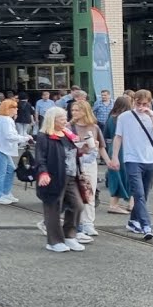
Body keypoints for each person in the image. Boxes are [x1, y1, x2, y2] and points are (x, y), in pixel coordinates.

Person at [110, 89, 153, 240]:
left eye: (145, 103)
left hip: (150, 159)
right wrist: (115, 157)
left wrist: (151, 116)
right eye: (138, 103)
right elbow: (118, 137)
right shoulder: (125, 117)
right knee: (139, 194)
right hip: (132, 159)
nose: (141, 106)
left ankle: (133, 221)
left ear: (150, 102)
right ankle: (146, 225)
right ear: (133, 102)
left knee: (144, 194)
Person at [33, 107, 87, 253]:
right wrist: (43, 173)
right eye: (61, 118)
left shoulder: (67, 134)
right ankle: (54, 241)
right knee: (53, 208)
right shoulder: (44, 136)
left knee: (78, 205)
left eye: (64, 117)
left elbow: (76, 151)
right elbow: (40, 157)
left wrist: (85, 147)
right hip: (54, 177)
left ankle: (69, 235)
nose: (65, 120)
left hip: (71, 176)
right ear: (52, 120)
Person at [69, 100, 111, 237]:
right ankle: (78, 223)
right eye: (73, 110)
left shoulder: (94, 127)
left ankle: (88, 223)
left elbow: (101, 147)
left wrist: (109, 162)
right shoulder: (70, 127)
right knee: (75, 194)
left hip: (90, 162)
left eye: (77, 110)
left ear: (85, 111)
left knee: (89, 192)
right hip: (74, 162)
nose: (74, 112)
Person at [0, 98, 30, 205]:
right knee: (1, 172)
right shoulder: (6, 120)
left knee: (9, 170)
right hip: (1, 149)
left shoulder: (3, 119)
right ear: (8, 109)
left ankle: (4, 193)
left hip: (1, 148)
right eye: (14, 108)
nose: (16, 109)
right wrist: (24, 138)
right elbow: (9, 136)